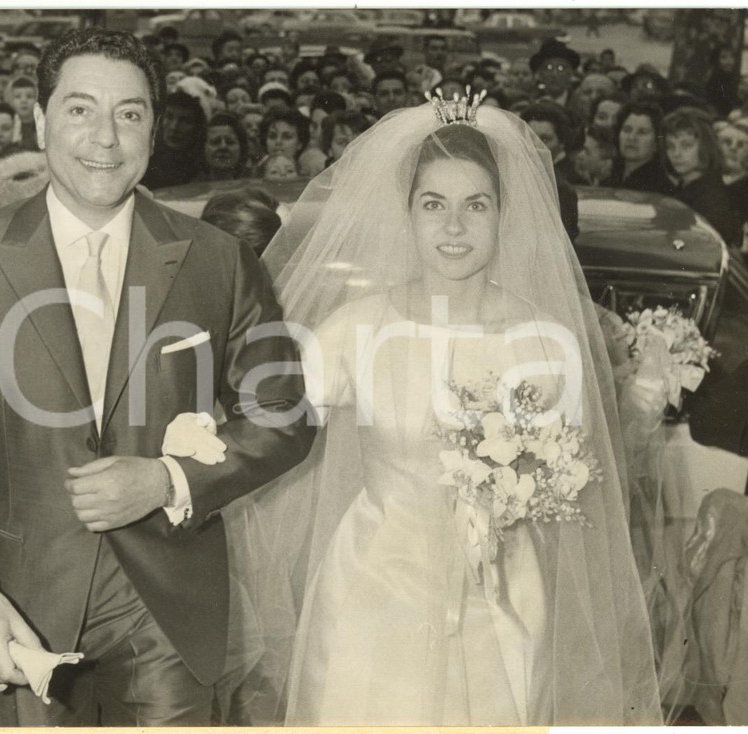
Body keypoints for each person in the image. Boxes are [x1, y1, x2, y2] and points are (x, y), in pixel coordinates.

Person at [0, 28, 314, 727]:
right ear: (40, 121)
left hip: (169, 609)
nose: (106, 139)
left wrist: (168, 480)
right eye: (81, 110)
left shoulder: (219, 261)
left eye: (131, 113)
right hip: (18, 602)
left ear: (153, 128)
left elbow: (284, 413)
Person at [184, 102, 662, 725]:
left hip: (505, 599)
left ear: (504, 214)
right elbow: (268, 436)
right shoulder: (353, 330)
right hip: (376, 592)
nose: (455, 226)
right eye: (433, 203)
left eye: (477, 204)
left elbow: (573, 495)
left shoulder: (550, 343)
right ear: (406, 215)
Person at [661, 107, 740, 246]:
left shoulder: (710, 198)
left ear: (705, 146)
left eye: (686, 145)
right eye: (670, 146)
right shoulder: (686, 186)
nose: (676, 153)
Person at [605, 101, 674, 194]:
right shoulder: (608, 173)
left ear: (657, 142)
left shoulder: (660, 186)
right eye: (627, 130)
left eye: (642, 132)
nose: (632, 138)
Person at [198, 111, 249, 181]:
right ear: (203, 148)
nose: (223, 146)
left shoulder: (253, 189)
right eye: (215, 142)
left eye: (230, 142)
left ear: (241, 148)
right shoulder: (190, 189)